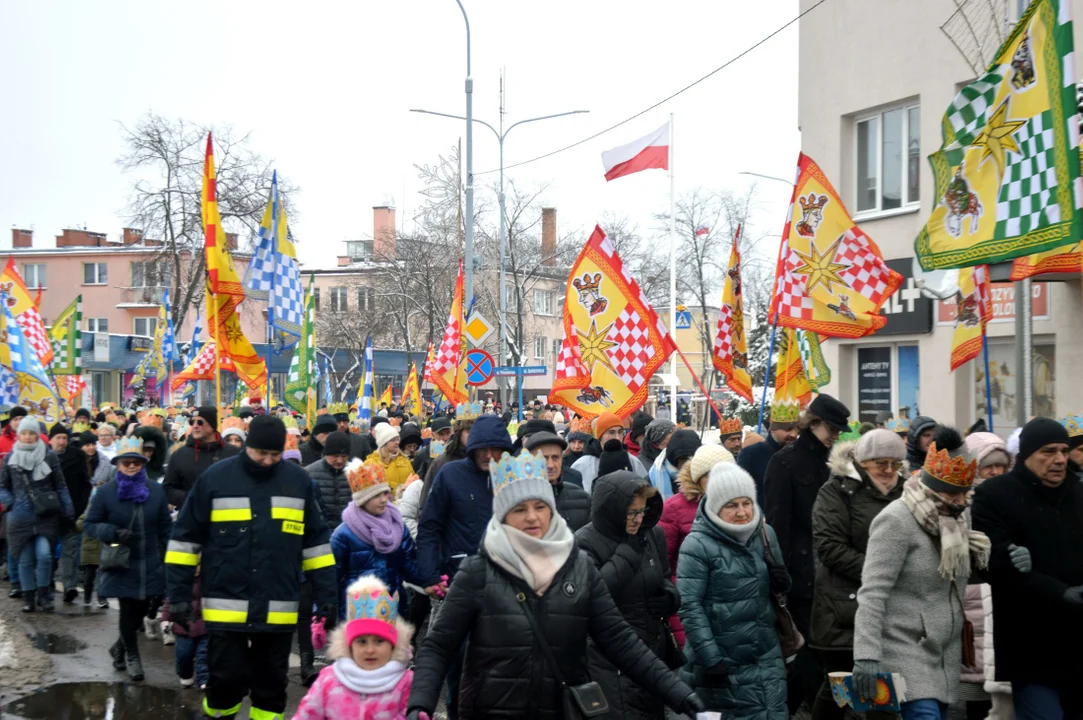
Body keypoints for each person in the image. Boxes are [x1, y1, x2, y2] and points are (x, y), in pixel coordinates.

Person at [407, 450, 703, 719]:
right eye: (520, 509)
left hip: (565, 709)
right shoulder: (478, 572)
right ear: (503, 516)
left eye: (540, 506)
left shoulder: (579, 567)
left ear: (551, 510)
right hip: (491, 710)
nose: (532, 517)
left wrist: (679, 694)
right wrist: (420, 702)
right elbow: (439, 646)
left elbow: (621, 641)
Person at [165, 415, 338, 719]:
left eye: (275, 455)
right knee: (225, 680)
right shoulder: (216, 479)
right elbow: (184, 540)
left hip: (278, 604)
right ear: (247, 446)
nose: (269, 461)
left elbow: (316, 544)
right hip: (225, 603)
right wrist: (178, 595)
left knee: (271, 686)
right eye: (262, 454)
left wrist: (327, 593)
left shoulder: (298, 483)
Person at [854, 427, 991, 720]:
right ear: (931, 487)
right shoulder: (895, 520)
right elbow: (873, 592)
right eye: (952, 493)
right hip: (902, 647)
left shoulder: (958, 516)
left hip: (944, 651)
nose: (960, 500)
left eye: (964, 492)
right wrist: (865, 655)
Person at [972, 418, 1083, 719]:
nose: (1059, 459)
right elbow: (992, 564)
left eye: (1063, 450)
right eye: (1048, 452)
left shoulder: (1078, 492)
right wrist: (1060, 593)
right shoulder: (995, 495)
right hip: (1031, 645)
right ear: (1026, 455)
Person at [677, 462, 790, 717]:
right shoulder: (696, 545)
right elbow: (689, 606)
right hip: (722, 662)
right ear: (716, 507)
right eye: (731, 505)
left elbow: (777, 595)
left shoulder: (765, 534)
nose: (742, 512)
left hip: (766, 655)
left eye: (746, 503)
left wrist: (783, 582)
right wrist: (710, 658)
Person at [809, 428, 907, 720]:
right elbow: (829, 547)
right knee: (841, 690)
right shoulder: (837, 491)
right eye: (881, 464)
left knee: (880, 692)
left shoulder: (909, 492)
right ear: (864, 462)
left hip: (892, 607)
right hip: (843, 607)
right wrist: (881, 572)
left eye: (895, 464)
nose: (889, 471)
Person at [763, 393, 850, 713]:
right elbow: (778, 526)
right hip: (802, 577)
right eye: (832, 430)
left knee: (825, 656)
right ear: (813, 424)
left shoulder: (836, 463)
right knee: (812, 656)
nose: (836, 437)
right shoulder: (784, 462)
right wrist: (783, 578)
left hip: (835, 574)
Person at [576, 470, 682, 719]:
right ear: (611, 510)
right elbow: (591, 595)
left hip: (652, 653)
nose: (638, 519)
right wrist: (628, 552)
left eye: (643, 510)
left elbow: (665, 576)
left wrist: (669, 598)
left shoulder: (652, 533)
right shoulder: (584, 542)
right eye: (631, 512)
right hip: (610, 660)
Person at [84, 436, 172, 681]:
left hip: (150, 561)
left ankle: (120, 647)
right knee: (127, 610)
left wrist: (171, 555)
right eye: (127, 463)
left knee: (141, 611)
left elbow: (165, 527)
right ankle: (133, 656)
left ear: (143, 464)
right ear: (118, 464)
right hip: (121, 560)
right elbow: (90, 525)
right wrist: (113, 533)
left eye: (137, 462)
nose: (132, 466)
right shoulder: (105, 492)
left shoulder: (155, 491)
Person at [295, 575, 414, 719]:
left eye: (379, 641)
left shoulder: (406, 683)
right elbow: (307, 715)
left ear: (393, 644)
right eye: (362, 642)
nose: (370, 650)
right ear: (350, 645)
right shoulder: (329, 680)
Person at [331, 459, 430, 618]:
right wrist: (323, 612)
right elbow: (332, 578)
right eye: (376, 495)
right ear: (363, 499)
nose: (384, 499)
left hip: (392, 609)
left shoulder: (397, 526)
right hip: (358, 613)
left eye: (385, 493)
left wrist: (431, 581)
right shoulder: (344, 535)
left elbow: (408, 565)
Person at [659, 444, 734, 646]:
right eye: (710, 475)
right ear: (697, 478)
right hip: (690, 607)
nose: (718, 481)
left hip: (732, 608)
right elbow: (663, 566)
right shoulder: (674, 509)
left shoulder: (741, 508)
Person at [0, 416, 73, 613]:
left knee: (44, 555)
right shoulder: (10, 458)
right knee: (24, 560)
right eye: (24, 433)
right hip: (20, 518)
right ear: (19, 434)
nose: (28, 437)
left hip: (45, 516)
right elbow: (2, 487)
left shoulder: (49, 456)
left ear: (37, 435)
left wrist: (68, 510)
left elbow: (60, 484)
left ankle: (44, 596)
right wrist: (10, 504)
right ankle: (29, 598)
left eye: (31, 433)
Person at [162, 406, 239, 510]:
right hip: (191, 519)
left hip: (225, 517)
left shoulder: (233, 453)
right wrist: (192, 497)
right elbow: (168, 489)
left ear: (212, 425)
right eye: (192, 422)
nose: (195, 426)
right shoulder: (180, 455)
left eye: (200, 422)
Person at [51, 423, 93, 605]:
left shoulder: (76, 457)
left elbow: (86, 484)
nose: (62, 442)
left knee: (69, 552)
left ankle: (70, 586)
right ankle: (45, 584)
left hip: (71, 512)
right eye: (58, 438)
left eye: (65, 438)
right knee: (48, 553)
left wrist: (79, 508)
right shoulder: (43, 457)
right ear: (51, 440)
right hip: (49, 513)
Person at [524, 431, 591, 531]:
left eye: (555, 458)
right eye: (543, 458)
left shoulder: (582, 497)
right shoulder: (519, 500)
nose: (550, 465)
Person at [737, 398, 799, 500]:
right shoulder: (751, 454)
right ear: (773, 429)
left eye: (797, 429)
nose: (794, 434)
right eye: (787, 429)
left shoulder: (799, 455)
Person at [571, 412, 648, 493]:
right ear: (600, 436)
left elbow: (645, 492)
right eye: (611, 432)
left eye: (620, 432)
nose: (617, 438)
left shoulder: (633, 461)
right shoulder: (582, 465)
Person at [162, 564, 209, 690]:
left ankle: (204, 679)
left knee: (203, 655)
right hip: (184, 625)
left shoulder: (209, 579)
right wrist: (165, 619)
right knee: (183, 654)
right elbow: (170, 600)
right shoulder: (179, 581)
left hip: (205, 625)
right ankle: (186, 675)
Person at [305, 431, 354, 528]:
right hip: (320, 531)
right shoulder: (309, 473)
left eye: (344, 456)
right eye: (335, 456)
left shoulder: (356, 472)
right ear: (326, 453)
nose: (340, 461)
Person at [648, 427, 702, 500]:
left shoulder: (704, 478)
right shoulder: (652, 479)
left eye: (691, 459)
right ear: (673, 459)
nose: (687, 465)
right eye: (683, 460)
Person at [365, 424, 415, 496]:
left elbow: (413, 478)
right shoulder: (371, 462)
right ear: (384, 443)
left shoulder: (404, 460)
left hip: (406, 503)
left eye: (398, 439)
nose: (397, 442)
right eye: (393, 440)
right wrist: (396, 488)